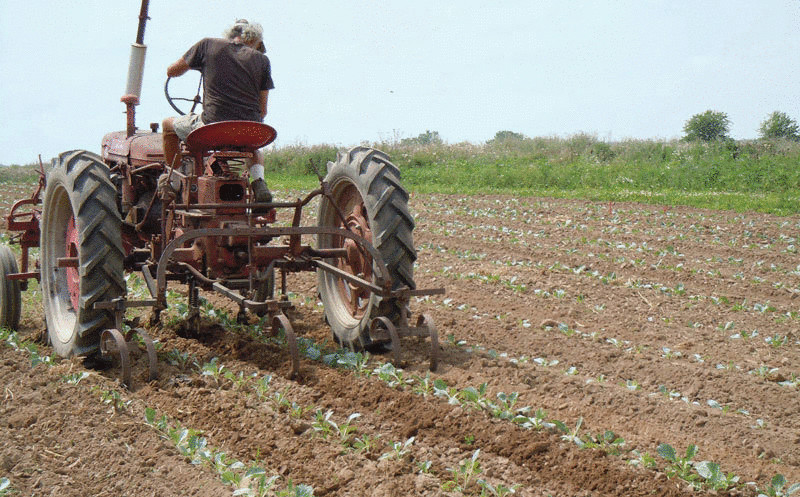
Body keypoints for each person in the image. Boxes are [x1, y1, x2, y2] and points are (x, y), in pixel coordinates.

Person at [161, 19, 275, 203]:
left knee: (168, 125)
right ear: (254, 41)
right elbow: (263, 109)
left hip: (212, 126)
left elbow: (172, 71)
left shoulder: (207, 45)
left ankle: (173, 182)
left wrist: (197, 63)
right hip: (250, 129)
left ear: (229, 35)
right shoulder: (262, 60)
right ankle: (259, 181)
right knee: (251, 146)